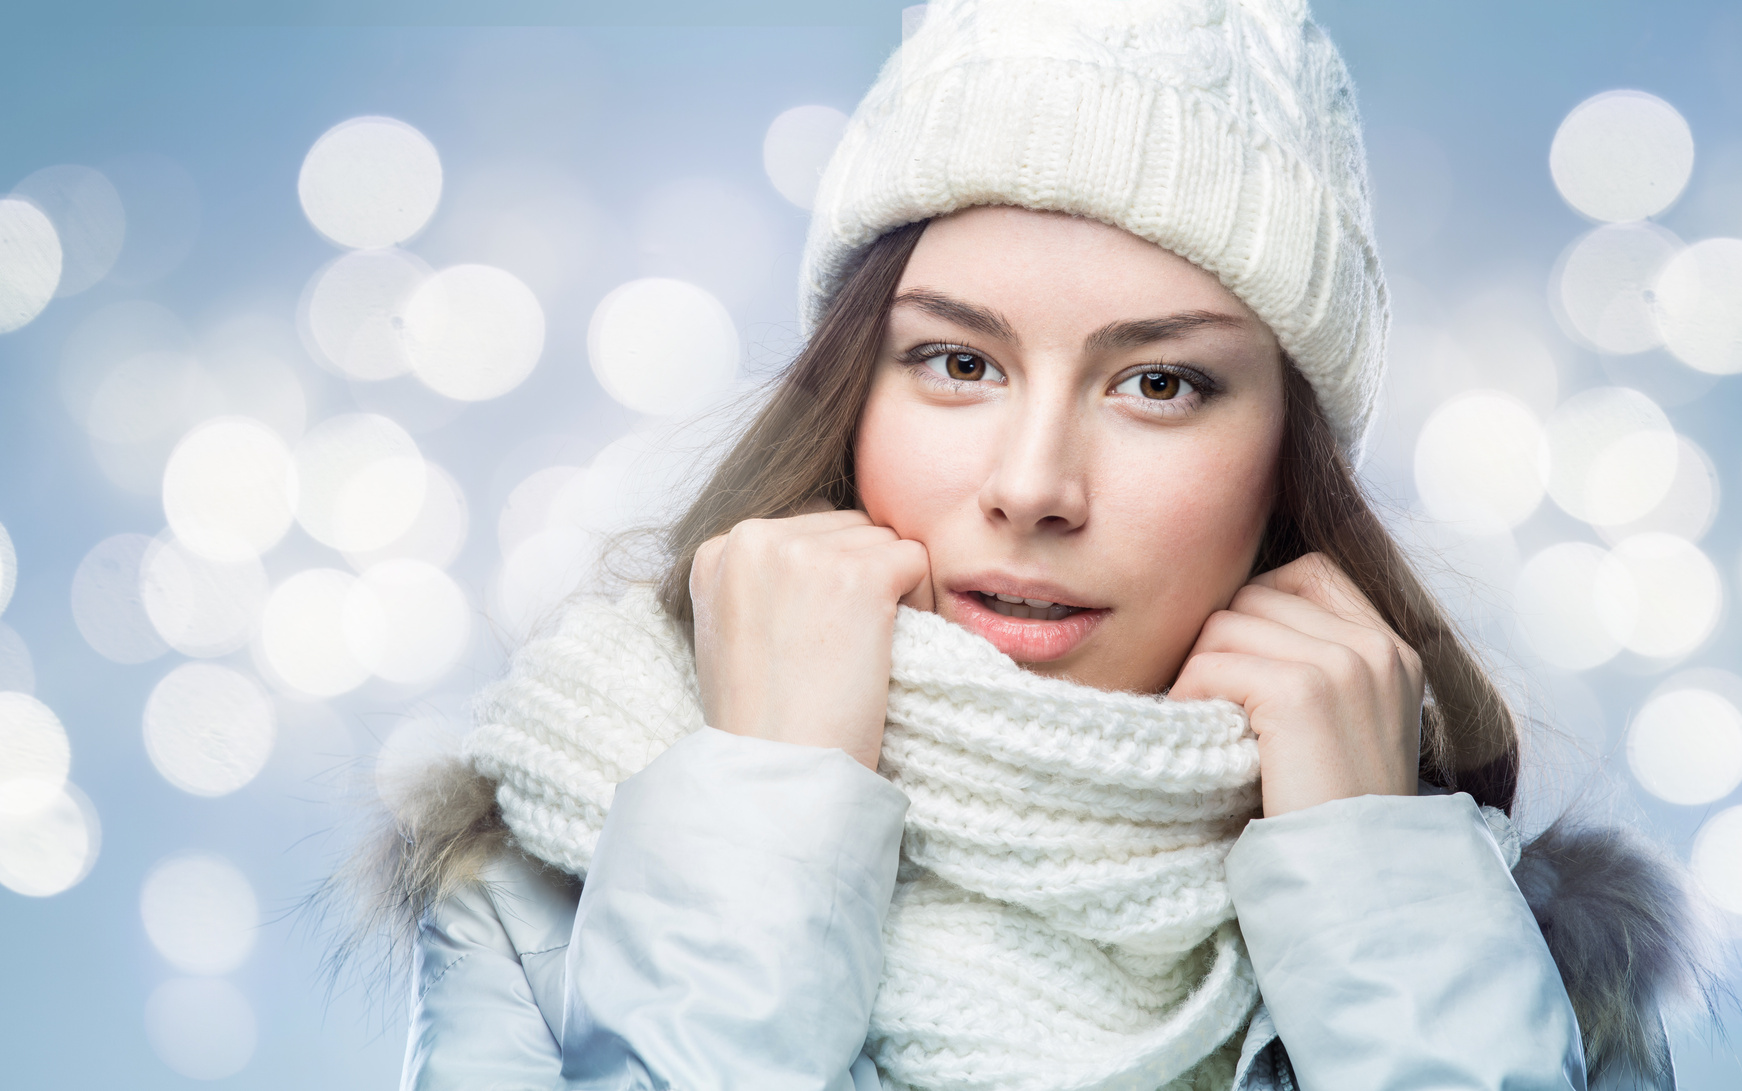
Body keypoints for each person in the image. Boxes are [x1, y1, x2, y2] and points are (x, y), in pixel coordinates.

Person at [342, 2, 1714, 1088]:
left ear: (1283, 467)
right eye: (954, 361)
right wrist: (762, 818)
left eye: (1158, 383)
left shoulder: (1491, 950)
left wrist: (1376, 900)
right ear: (847, 397)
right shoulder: (550, 888)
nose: (1034, 486)